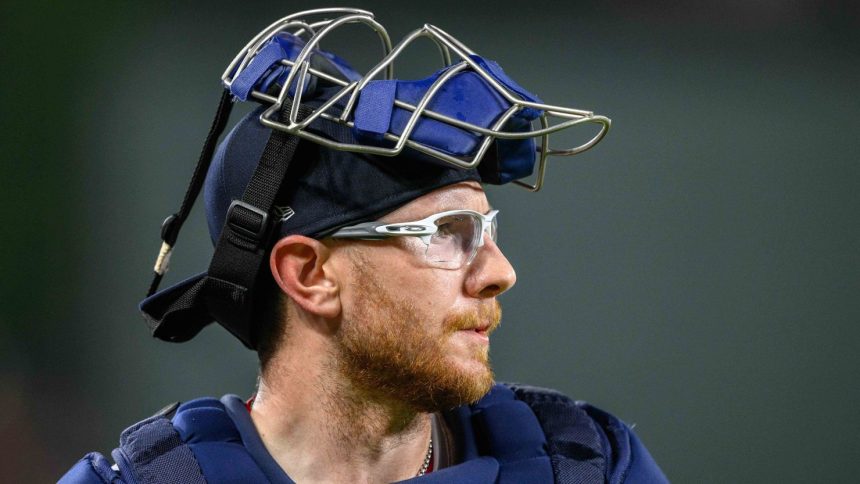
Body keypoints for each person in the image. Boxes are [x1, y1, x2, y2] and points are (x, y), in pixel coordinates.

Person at [61, 8, 667, 483]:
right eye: (448, 234)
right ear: (309, 275)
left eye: (489, 230)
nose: (500, 272)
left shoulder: (587, 466)